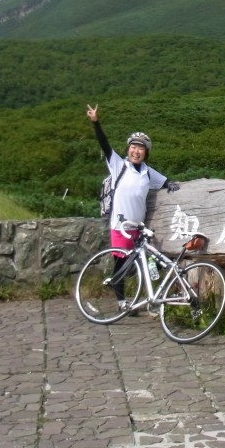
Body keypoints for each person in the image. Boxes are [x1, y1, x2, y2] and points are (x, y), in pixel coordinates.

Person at [86, 104, 178, 307]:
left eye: (141, 148)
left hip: (139, 227)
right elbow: (104, 144)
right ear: (128, 149)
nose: (136, 151)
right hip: (120, 226)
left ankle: (146, 298)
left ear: (146, 152)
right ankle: (121, 301)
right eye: (133, 147)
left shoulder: (147, 171)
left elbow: (164, 182)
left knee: (141, 264)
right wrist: (96, 122)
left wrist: (171, 185)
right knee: (121, 264)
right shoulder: (119, 165)